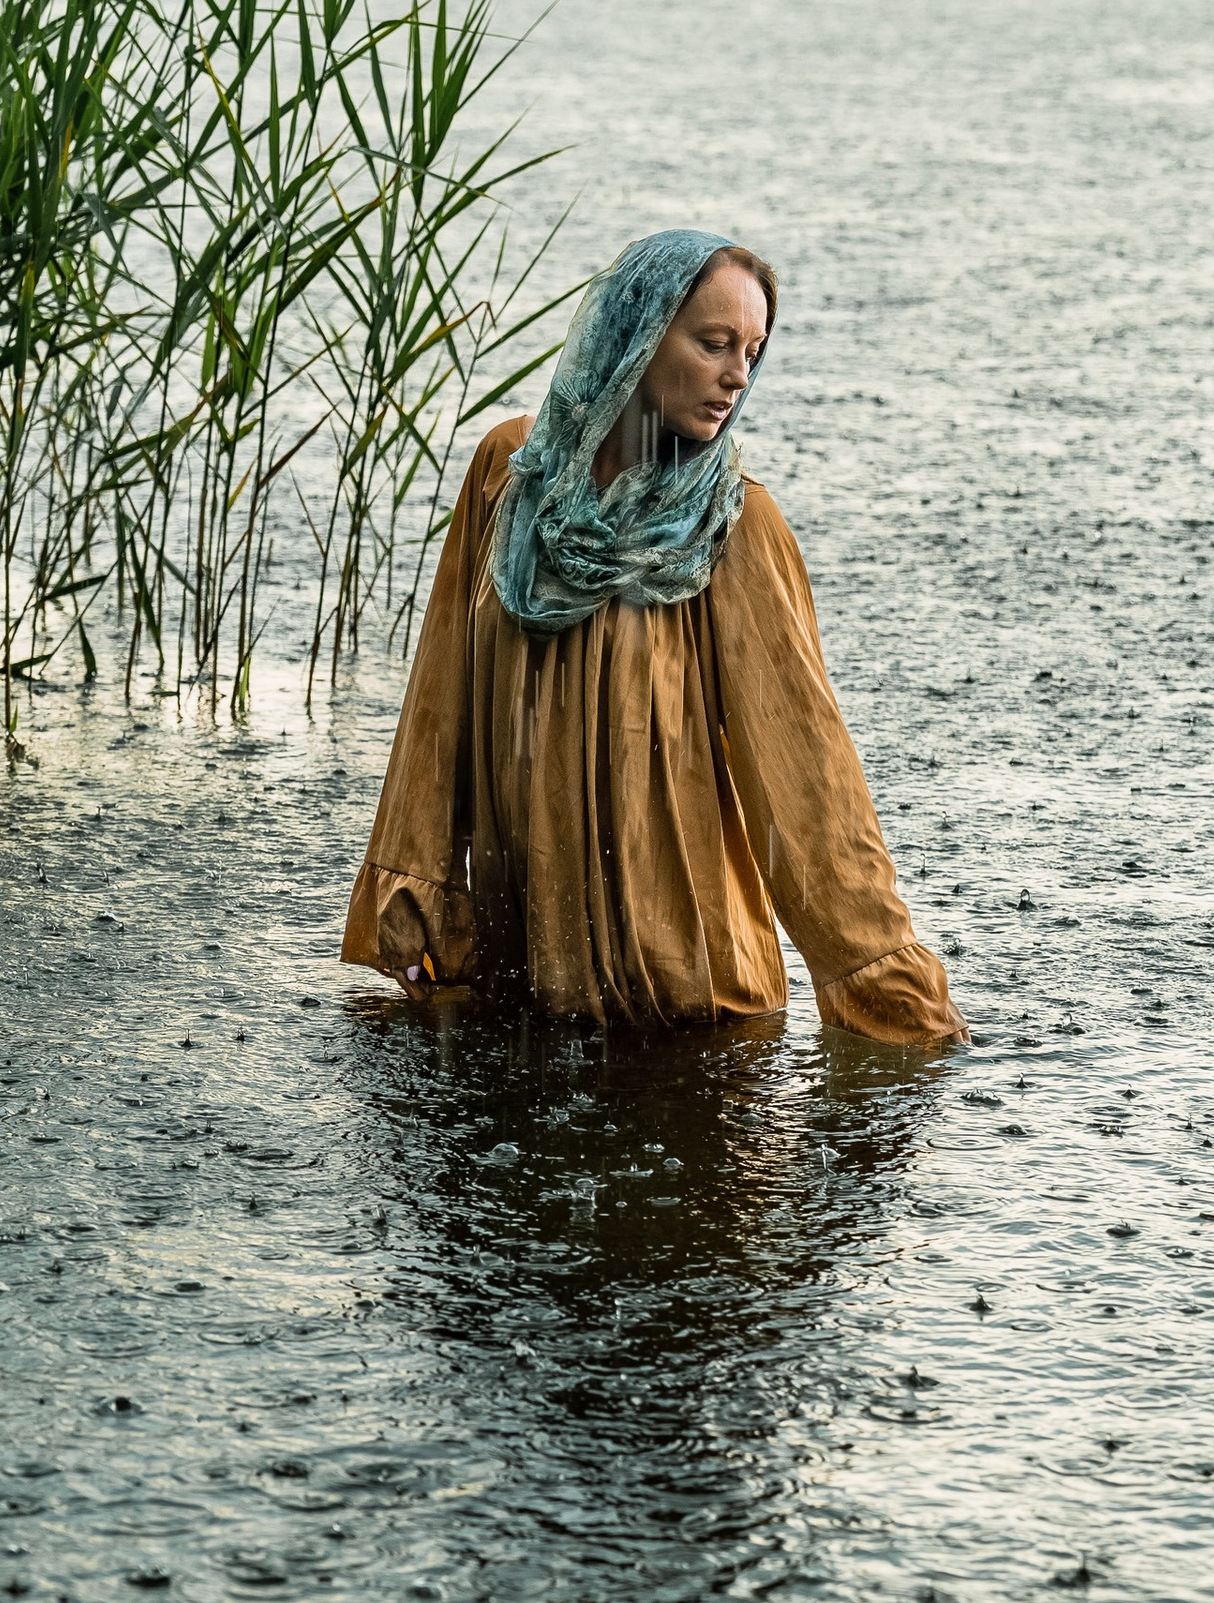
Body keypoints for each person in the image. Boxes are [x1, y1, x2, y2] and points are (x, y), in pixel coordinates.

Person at [343, 229, 968, 1043]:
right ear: (638, 332)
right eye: (713, 343)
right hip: (521, 986)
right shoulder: (510, 475)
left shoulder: (733, 529)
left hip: (689, 1002)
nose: (738, 376)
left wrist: (891, 996)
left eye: (752, 351)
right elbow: (439, 701)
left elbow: (810, 783)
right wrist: (415, 894)